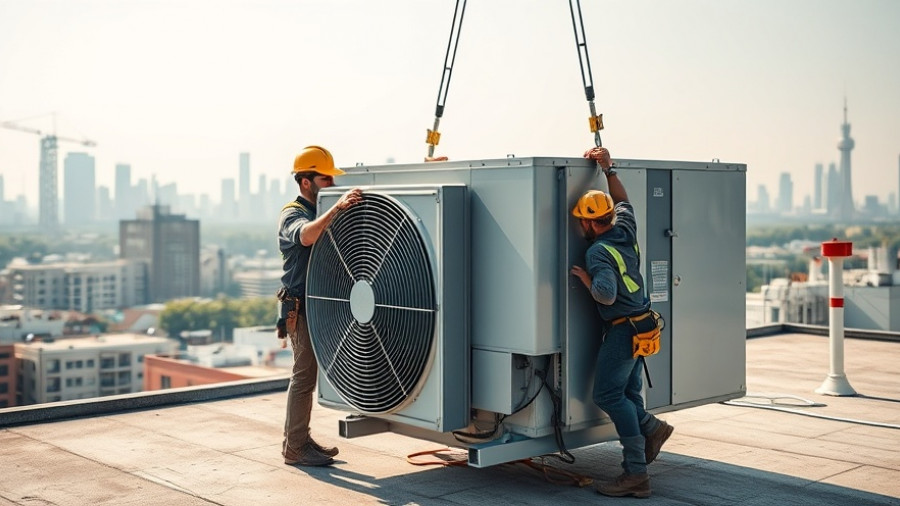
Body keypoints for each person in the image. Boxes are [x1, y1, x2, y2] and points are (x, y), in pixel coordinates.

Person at [570, 146, 674, 498]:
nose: (579, 226)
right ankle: (647, 440)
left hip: (622, 330)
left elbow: (606, 295)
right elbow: (624, 200)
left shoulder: (596, 251)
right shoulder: (625, 227)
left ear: (588, 222)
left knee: (608, 395)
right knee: (629, 392)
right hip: (643, 324)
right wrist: (609, 168)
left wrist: (585, 279)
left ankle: (636, 470)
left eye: (580, 221)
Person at [277, 145, 363, 467]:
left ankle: (300, 438)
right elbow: (306, 236)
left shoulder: (320, 209)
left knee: (309, 376)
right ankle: (295, 448)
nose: (331, 184)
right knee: (303, 376)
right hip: (300, 307)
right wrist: (336, 209)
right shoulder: (293, 214)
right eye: (325, 179)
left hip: (319, 305)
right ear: (306, 183)